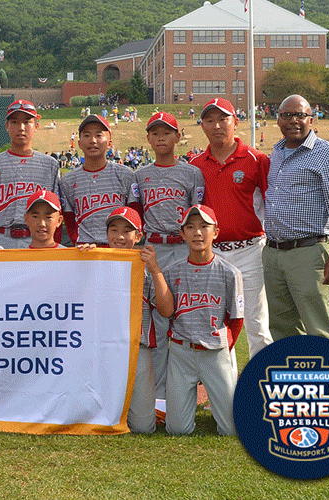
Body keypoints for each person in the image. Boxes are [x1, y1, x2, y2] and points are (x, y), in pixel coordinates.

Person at [264, 95, 329, 342]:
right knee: (282, 329)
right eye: (287, 115)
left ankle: (327, 381)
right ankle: (291, 379)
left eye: (300, 115)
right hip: (273, 252)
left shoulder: (328, 154)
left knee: (319, 329)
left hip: (309, 251)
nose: (293, 120)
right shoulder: (276, 153)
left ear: (311, 120)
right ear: (278, 120)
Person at [127, 112, 204, 399]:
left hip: (183, 249)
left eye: (166, 132)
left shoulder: (192, 173)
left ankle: (186, 394)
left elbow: (198, 214)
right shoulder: (140, 175)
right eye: (155, 132)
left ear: (177, 136)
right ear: (148, 138)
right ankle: (159, 396)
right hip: (154, 248)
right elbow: (134, 213)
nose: (161, 137)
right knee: (157, 323)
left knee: (187, 318)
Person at [189, 98, 273, 360]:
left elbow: (272, 204)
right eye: (210, 120)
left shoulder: (256, 159)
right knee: (216, 323)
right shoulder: (195, 164)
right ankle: (224, 390)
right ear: (202, 125)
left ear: (235, 122)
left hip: (250, 250)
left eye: (223, 119)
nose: (217, 125)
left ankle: (263, 387)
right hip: (213, 254)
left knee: (256, 323)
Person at [162, 205, 243, 437]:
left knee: (231, 429)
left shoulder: (230, 273)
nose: (198, 233)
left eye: (204, 227)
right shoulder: (171, 272)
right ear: (183, 234)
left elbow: (236, 319)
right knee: (177, 429)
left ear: (215, 232)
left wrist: (224, 350)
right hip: (181, 353)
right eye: (191, 227)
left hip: (214, 353)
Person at [94, 207, 172, 433]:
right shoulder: (96, 260)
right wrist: (84, 256)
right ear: (107, 234)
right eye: (114, 229)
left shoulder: (145, 267)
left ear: (138, 236)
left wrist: (156, 270)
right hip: (103, 348)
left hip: (137, 348)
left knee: (143, 427)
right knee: (101, 419)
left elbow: (166, 310)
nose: (119, 236)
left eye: (127, 231)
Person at [0, 100, 59, 249]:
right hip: (0, 238)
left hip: (38, 238)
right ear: (7, 126)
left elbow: (56, 211)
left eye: (27, 122)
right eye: (14, 122)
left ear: (36, 126)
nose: (21, 128)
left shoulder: (50, 165)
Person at [59, 115, 133, 247]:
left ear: (110, 143)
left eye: (99, 135)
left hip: (117, 248)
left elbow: (134, 214)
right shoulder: (68, 180)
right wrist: (77, 241)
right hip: (84, 250)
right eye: (87, 135)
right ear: (79, 143)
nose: (93, 141)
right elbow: (69, 219)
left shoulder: (125, 174)